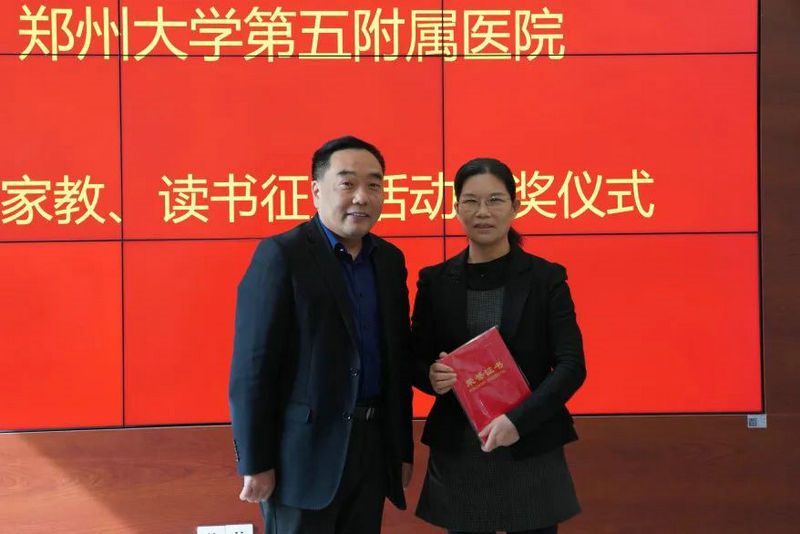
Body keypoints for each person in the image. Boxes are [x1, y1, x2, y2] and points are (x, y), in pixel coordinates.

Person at [229, 135, 414, 534]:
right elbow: (252, 369)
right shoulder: (282, 255)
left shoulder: (389, 261)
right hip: (302, 458)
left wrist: (401, 449)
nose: (362, 197)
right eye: (347, 183)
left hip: (371, 448)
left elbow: (396, 360)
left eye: (374, 185)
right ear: (316, 191)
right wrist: (255, 461)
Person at [411, 158, 586, 534]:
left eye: (494, 200)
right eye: (471, 201)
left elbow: (572, 365)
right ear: (456, 208)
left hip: (531, 443)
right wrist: (431, 375)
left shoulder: (546, 278)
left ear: (515, 206)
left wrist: (517, 422)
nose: (482, 212)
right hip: (462, 450)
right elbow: (415, 358)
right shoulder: (435, 282)